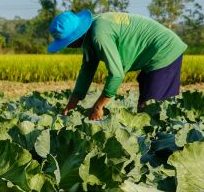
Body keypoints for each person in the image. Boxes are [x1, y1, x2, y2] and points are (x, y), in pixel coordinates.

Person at [48, 10, 187, 119]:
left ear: (77, 35)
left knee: (154, 109)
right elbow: (87, 71)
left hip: (165, 51)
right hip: (151, 56)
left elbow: (117, 74)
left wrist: (98, 107)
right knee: (145, 106)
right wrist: (71, 105)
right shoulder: (90, 34)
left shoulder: (99, 34)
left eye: (68, 42)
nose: (68, 46)